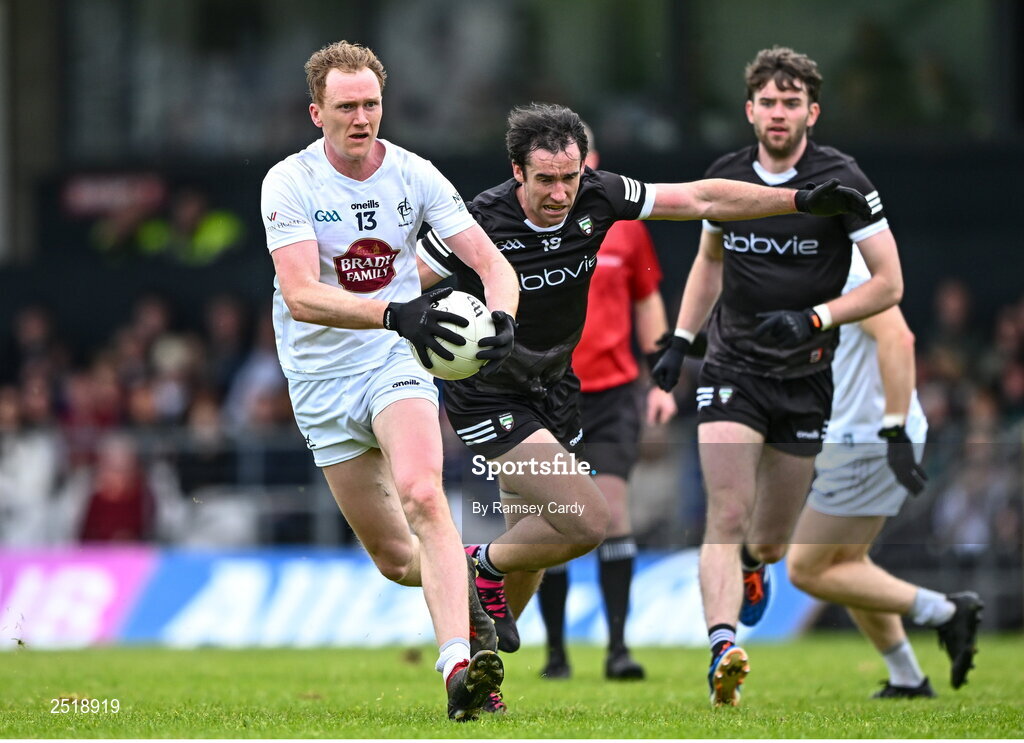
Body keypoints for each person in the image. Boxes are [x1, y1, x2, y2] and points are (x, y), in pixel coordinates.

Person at [416, 101, 869, 705]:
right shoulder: (477, 220)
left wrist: (798, 202)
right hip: (488, 394)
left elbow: (700, 200)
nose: (559, 193)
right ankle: (479, 567)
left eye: (570, 178)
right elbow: (401, 285)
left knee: (532, 545)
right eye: (545, 179)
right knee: (587, 520)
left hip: (554, 386)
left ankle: (479, 678)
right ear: (517, 172)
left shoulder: (599, 196)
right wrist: (363, 316)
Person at [260, 40, 520, 722]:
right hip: (319, 377)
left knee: (423, 492)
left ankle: (459, 670)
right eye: (346, 106)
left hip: (393, 359)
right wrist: (396, 308)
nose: (361, 117)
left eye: (371, 103)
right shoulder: (288, 183)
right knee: (397, 558)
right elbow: (300, 295)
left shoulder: (415, 174)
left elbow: (494, 267)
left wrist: (502, 319)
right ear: (317, 113)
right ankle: (472, 589)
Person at [652, 46, 906, 707]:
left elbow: (889, 283)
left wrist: (817, 319)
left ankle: (754, 570)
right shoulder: (728, 176)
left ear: (811, 112)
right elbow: (709, 261)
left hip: (805, 376)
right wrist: (682, 340)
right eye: (768, 101)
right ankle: (721, 647)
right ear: (749, 110)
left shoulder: (844, 180)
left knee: (764, 537)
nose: (778, 112)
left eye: (792, 102)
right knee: (726, 512)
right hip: (734, 367)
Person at [786, 246, 983, 699]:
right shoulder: (825, 266)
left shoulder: (849, 273)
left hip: (867, 440)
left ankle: (947, 612)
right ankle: (909, 678)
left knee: (805, 569)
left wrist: (894, 430)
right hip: (859, 436)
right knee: (848, 564)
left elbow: (899, 340)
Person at [536, 123, 678, 682]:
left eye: (582, 163)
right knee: (554, 521)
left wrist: (661, 376)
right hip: (546, 392)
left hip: (614, 393)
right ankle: (555, 654)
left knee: (613, 513)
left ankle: (618, 649)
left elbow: (648, 300)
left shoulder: (624, 228)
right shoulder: (520, 225)